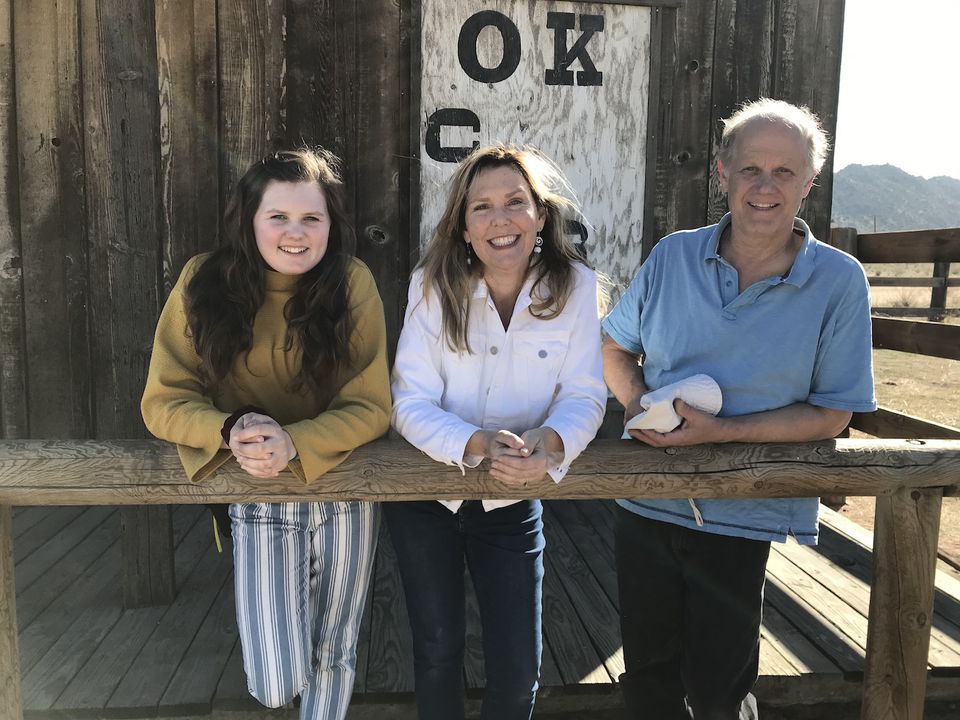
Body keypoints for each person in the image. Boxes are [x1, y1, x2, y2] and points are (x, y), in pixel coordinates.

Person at [602, 99, 876, 719]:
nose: (764, 185)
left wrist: (719, 434)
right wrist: (642, 407)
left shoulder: (838, 281)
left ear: (809, 183)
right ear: (722, 173)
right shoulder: (673, 256)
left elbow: (832, 414)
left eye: (784, 172)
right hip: (648, 491)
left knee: (719, 685)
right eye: (750, 168)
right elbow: (615, 345)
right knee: (647, 677)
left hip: (745, 503)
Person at [141, 149, 391, 720]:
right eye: (277, 217)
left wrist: (298, 439)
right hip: (258, 494)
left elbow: (371, 402)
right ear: (248, 220)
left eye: (312, 218)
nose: (295, 233)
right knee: (276, 679)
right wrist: (229, 429)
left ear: (332, 223)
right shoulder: (203, 281)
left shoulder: (352, 282)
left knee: (336, 651)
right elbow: (163, 401)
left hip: (345, 489)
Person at [385, 144, 607, 720]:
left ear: (541, 215)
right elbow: (409, 401)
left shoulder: (575, 287)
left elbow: (585, 394)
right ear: (463, 227)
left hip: (514, 496)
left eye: (515, 201)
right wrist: (476, 443)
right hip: (426, 495)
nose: (500, 219)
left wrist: (551, 445)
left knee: (518, 665)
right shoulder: (433, 286)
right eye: (481, 207)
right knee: (437, 650)